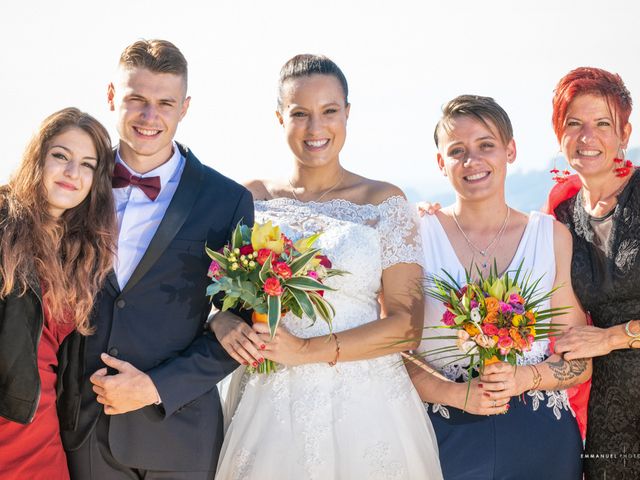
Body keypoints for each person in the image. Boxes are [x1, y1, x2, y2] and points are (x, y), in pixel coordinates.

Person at [212, 54, 443, 479]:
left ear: (348, 114)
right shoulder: (248, 198)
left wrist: (303, 352)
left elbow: (407, 326)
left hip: (368, 405)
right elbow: (220, 295)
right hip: (266, 400)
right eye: (300, 114)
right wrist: (221, 322)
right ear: (279, 117)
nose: (315, 129)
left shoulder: (384, 202)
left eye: (329, 112)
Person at [58, 40, 254, 479]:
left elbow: (241, 329)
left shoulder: (226, 201)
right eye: (136, 100)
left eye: (165, 102)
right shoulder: (72, 186)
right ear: (112, 96)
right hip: (83, 431)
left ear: (184, 107)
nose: (150, 117)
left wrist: (154, 387)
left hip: (180, 431)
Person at [407, 95, 590, 480]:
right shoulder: (415, 237)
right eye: (457, 151)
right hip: (445, 437)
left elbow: (580, 359)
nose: (472, 161)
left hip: (541, 439)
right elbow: (389, 352)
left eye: (486, 145)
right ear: (442, 163)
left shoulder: (551, 237)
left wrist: (525, 378)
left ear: (510, 150)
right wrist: (454, 393)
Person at [0, 107, 116, 480]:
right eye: (61, 156)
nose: (72, 173)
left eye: (87, 165)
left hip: (43, 432)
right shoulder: (3, 224)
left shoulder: (81, 252)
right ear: (38, 157)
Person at [549, 67, 640, 479]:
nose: (588, 137)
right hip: (608, 412)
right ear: (559, 134)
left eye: (602, 123)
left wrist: (612, 337)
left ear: (625, 133)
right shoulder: (563, 213)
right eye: (574, 124)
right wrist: (432, 219)